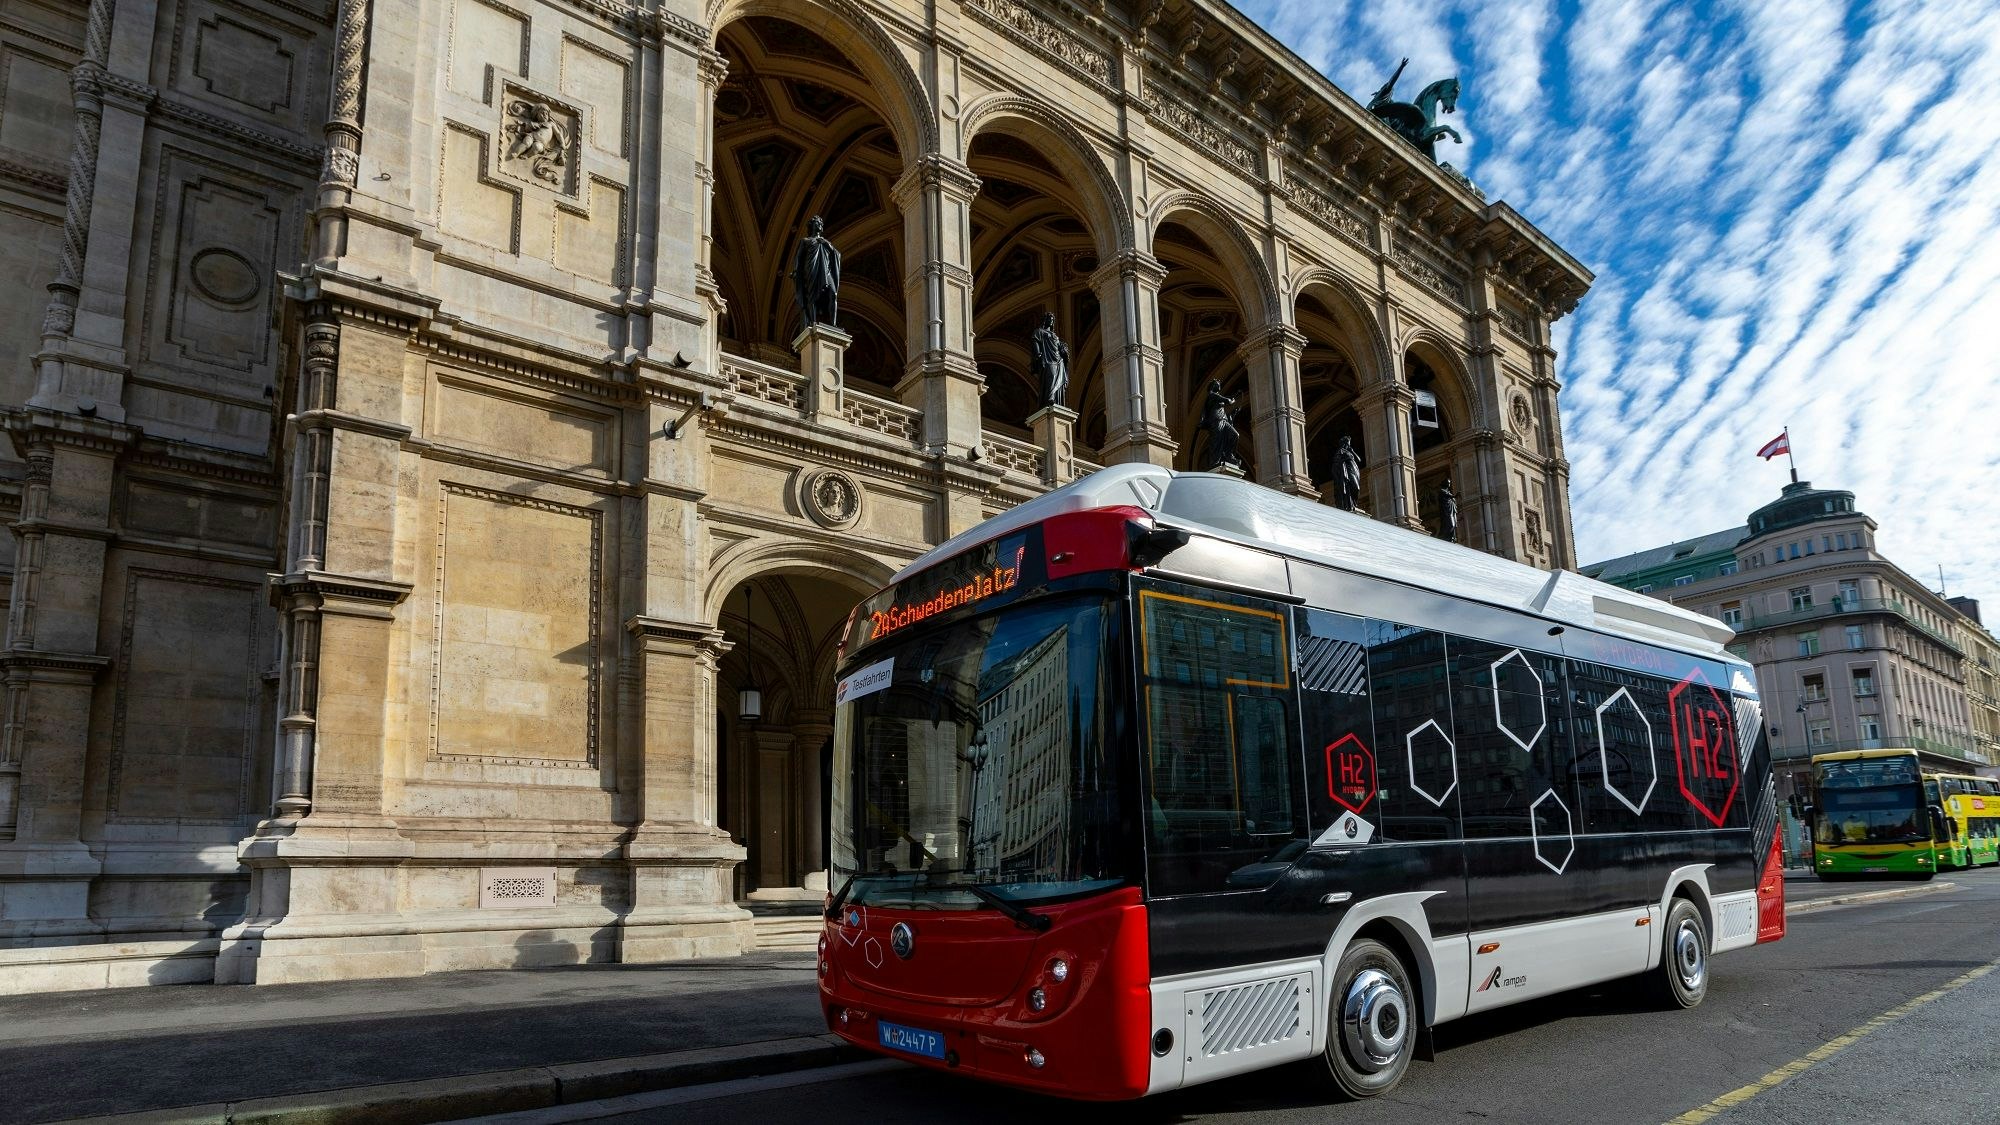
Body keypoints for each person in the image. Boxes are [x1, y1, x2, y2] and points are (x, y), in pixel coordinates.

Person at [793, 215, 841, 329]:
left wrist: (827, 245)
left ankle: (833, 324)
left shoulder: (825, 242)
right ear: (812, 226)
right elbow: (798, 258)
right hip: (811, 269)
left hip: (826, 271)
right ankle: (813, 322)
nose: (819, 224)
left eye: (820, 223)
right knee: (812, 296)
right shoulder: (805, 241)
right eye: (817, 223)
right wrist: (796, 271)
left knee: (833, 293)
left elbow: (836, 255)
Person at [1029, 312, 1069, 409]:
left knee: (1058, 381)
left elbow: (1060, 347)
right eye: (1049, 319)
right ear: (1045, 320)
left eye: (1052, 320)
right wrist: (1038, 353)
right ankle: (1049, 398)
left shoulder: (1054, 335)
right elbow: (1035, 340)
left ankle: (1056, 400)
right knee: (1051, 376)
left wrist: (1065, 352)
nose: (1051, 321)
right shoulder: (1039, 331)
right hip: (1048, 359)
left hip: (1058, 360)